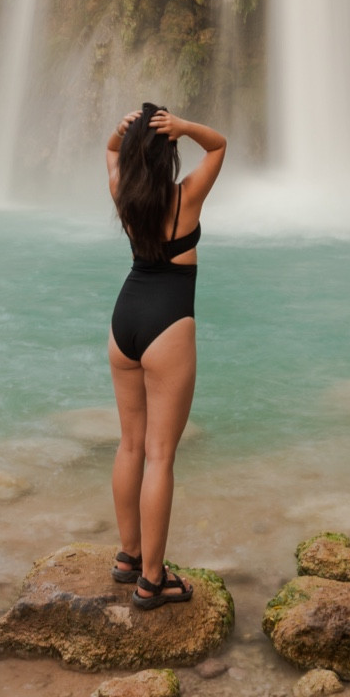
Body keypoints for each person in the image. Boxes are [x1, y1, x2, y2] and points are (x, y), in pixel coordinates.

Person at [105, 102, 226, 609]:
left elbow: (111, 152)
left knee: (130, 445)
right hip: (168, 325)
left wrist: (122, 134)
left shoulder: (122, 196)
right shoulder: (187, 198)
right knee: (160, 454)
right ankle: (153, 580)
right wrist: (183, 127)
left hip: (124, 322)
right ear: (169, 150)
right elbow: (219, 144)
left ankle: (129, 555)